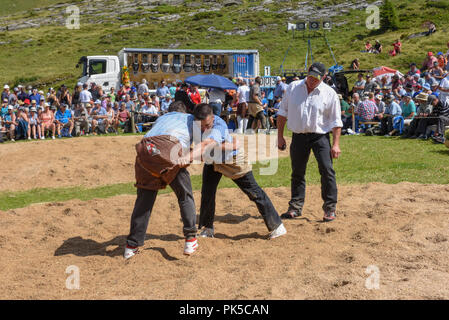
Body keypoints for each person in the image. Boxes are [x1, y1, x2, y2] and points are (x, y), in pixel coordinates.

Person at [124, 102, 222, 260]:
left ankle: (131, 246)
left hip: (144, 148)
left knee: (145, 198)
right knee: (184, 195)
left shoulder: (163, 118)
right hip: (169, 146)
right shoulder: (192, 119)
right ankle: (190, 238)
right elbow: (200, 151)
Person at [194, 103, 287, 239]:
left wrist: (231, 145)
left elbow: (211, 144)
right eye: (201, 126)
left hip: (233, 160)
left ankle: (277, 226)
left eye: (207, 125)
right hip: (213, 160)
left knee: (254, 192)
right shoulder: (195, 123)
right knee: (207, 192)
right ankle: (208, 228)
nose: (204, 128)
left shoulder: (219, 126)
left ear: (213, 118)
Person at [277, 62, 342, 222]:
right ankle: (295, 207)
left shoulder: (329, 93)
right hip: (298, 136)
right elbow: (282, 112)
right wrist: (280, 136)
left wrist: (335, 144)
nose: (312, 80)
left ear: (324, 77)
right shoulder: (292, 88)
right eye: (310, 76)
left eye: (316, 78)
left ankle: (330, 208)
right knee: (297, 172)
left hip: (320, 137)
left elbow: (336, 121)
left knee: (327, 170)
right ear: (307, 73)